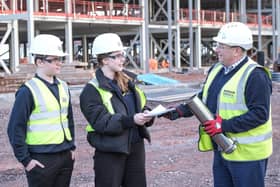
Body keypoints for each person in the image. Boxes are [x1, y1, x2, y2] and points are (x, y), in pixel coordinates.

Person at [161, 22, 272, 187]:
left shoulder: (255, 76)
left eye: (221, 46)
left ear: (236, 50)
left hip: (248, 155)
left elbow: (259, 115)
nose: (216, 50)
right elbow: (204, 98)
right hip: (223, 149)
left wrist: (223, 126)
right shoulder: (217, 70)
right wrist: (178, 111)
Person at [80, 33, 154, 187]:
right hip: (110, 151)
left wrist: (148, 113)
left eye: (123, 54)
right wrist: (131, 120)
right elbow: (102, 122)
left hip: (135, 147)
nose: (123, 59)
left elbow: (140, 105)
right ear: (105, 60)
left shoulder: (128, 82)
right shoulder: (92, 90)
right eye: (118, 55)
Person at [7, 34, 75, 187]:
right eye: (54, 60)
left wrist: (72, 148)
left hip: (65, 155)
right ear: (39, 62)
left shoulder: (63, 86)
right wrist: (26, 160)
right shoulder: (27, 91)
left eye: (60, 59)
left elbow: (68, 119)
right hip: (41, 159)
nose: (59, 63)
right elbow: (15, 128)